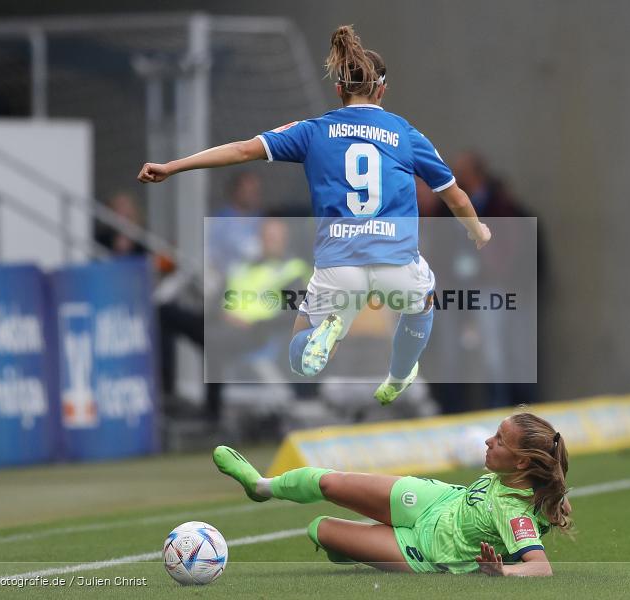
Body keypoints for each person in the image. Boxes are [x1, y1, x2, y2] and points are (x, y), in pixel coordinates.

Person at [139, 25, 491, 406]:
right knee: (422, 303)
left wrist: (173, 166)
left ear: (338, 89)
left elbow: (242, 151)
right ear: (382, 90)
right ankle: (400, 372)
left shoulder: (313, 131)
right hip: (397, 261)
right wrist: (478, 231)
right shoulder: (405, 134)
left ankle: (325, 335)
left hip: (339, 264)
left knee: (300, 358)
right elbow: (454, 196)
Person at [212, 410, 571, 575]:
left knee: (319, 528)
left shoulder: (515, 514)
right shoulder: (515, 476)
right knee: (330, 483)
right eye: (494, 432)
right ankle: (260, 486)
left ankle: (355, 548)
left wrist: (504, 572)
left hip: (429, 550)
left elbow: (540, 568)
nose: (488, 441)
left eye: (500, 441)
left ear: (522, 464)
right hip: (442, 500)